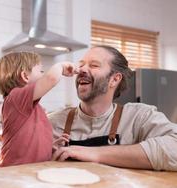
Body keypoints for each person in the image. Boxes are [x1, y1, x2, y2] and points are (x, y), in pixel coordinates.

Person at [49, 45, 177, 171]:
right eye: (81, 65)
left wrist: (95, 153)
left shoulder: (139, 117)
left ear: (114, 79)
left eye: (94, 65)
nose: (81, 70)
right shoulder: (53, 122)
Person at [0, 52, 76, 167]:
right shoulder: (15, 97)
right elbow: (51, 78)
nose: (43, 75)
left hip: (28, 170)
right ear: (25, 76)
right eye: (41, 71)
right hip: (14, 170)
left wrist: (49, 145)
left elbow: (29, 140)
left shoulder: (33, 107)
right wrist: (61, 66)